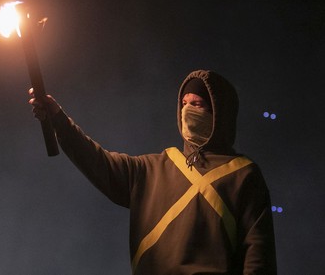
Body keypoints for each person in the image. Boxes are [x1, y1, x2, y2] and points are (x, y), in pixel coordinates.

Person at [29, 69, 277, 274]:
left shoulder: (243, 174)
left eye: (198, 104)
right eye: (184, 103)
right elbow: (97, 161)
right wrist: (58, 119)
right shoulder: (150, 170)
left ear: (219, 114)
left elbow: (258, 254)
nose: (187, 110)